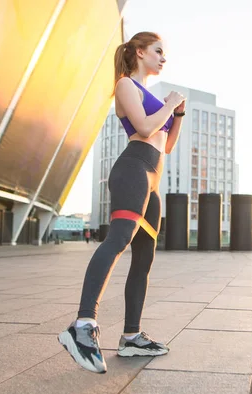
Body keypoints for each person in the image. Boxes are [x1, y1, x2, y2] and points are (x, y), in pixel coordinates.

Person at [58, 32, 186, 374]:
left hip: (154, 176)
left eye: (165, 53)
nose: (163, 58)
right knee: (118, 241)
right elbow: (144, 128)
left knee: (144, 257)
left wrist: (180, 115)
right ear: (140, 52)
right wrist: (171, 106)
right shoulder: (126, 85)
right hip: (133, 170)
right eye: (158, 51)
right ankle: (83, 324)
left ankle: (131, 336)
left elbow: (167, 145)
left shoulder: (153, 94)